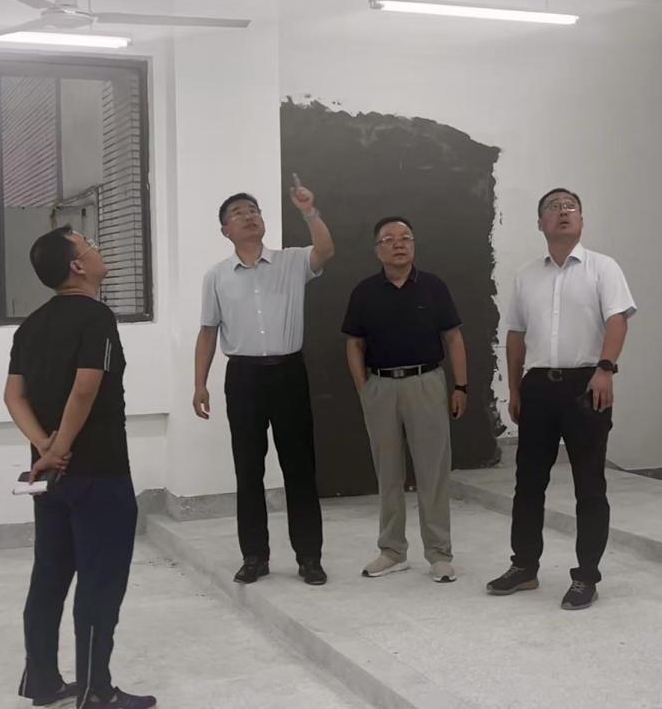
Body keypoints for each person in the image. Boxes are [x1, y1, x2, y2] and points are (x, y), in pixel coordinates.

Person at [4, 226, 155, 709]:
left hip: (49, 479)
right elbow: (86, 386)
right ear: (77, 266)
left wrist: (43, 448)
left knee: (49, 576)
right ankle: (95, 691)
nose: (99, 250)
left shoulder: (30, 326)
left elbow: (13, 396)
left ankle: (42, 681)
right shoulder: (97, 317)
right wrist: (61, 446)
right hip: (99, 472)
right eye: (91, 245)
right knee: (99, 584)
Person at [486, 188, 636, 610]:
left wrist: (605, 369)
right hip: (537, 387)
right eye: (553, 208)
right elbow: (516, 335)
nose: (563, 212)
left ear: (582, 220)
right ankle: (524, 566)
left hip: (587, 385)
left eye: (570, 207)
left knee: (589, 483)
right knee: (528, 482)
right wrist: (514, 389)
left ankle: (586, 575)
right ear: (540, 223)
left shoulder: (603, 268)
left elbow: (618, 320)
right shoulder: (526, 275)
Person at [193, 175, 335, 585]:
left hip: (288, 372)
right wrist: (199, 384)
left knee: (300, 467)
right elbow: (207, 332)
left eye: (253, 210)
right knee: (248, 468)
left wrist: (309, 211)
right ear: (226, 230)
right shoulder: (217, 276)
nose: (248, 217)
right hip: (243, 377)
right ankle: (254, 555)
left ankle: (309, 557)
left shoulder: (291, 261)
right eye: (238, 213)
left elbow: (325, 250)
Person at [342, 216, 467, 583]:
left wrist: (461, 386)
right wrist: (364, 389)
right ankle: (392, 550)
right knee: (388, 472)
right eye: (390, 239)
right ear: (377, 249)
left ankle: (439, 553)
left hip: (426, 383)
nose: (399, 244)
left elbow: (453, 338)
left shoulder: (433, 287)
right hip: (380, 386)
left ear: (413, 245)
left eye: (406, 237)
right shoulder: (364, 292)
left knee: (433, 472)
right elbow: (354, 343)